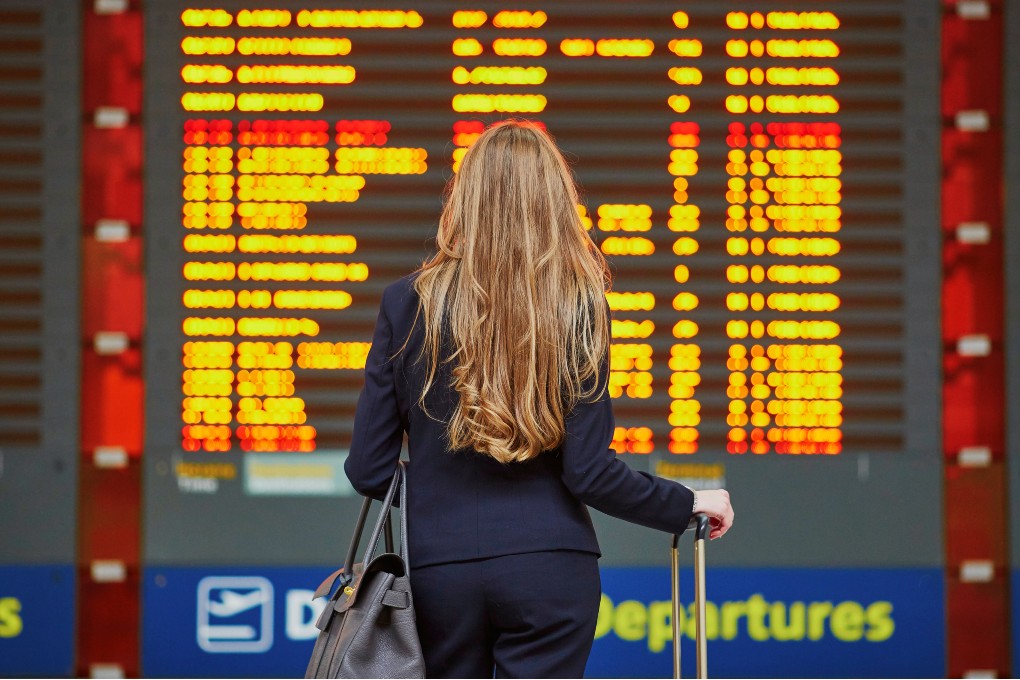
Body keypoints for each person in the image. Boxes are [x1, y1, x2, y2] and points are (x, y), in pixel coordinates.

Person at [344, 120, 734, 679]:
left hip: (439, 574)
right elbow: (590, 474)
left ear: (465, 199)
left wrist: (440, 497)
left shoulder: (407, 302)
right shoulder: (579, 305)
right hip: (551, 569)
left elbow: (368, 467)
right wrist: (684, 502)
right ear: (556, 201)